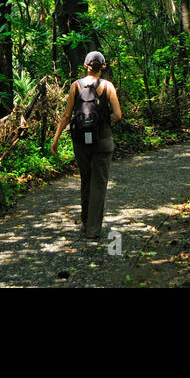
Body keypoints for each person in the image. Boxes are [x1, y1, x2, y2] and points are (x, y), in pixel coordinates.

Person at [51, 50, 122, 240]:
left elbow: (67, 115)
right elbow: (117, 114)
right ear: (103, 67)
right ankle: (93, 230)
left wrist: (56, 138)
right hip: (103, 141)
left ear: (85, 66)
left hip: (81, 142)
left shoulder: (76, 86)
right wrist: (102, 123)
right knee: (98, 185)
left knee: (86, 180)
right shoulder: (108, 86)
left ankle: (85, 223)